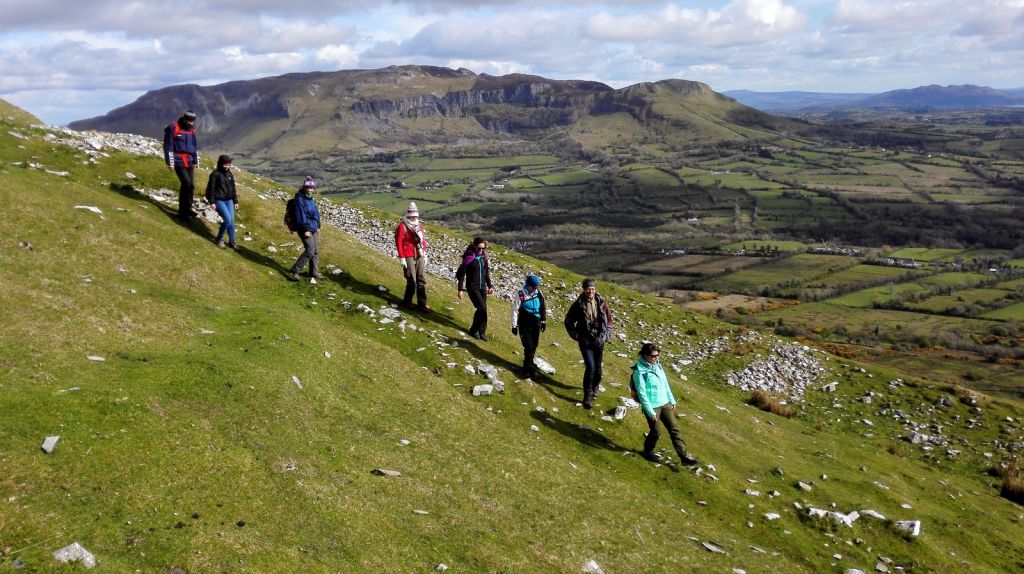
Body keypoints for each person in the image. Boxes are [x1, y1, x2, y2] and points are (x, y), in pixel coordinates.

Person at [632, 342, 698, 470]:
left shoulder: (658, 366)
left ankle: (684, 457)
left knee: (674, 429)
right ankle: (647, 451)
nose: (656, 358)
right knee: (656, 432)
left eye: (657, 355)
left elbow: (665, 384)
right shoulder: (639, 372)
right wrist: (650, 411)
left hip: (665, 403)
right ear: (644, 355)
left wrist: (672, 400)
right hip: (652, 407)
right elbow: (642, 393)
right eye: (653, 356)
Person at [563, 278, 613, 409]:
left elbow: (609, 320)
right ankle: (587, 395)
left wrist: (606, 335)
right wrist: (577, 336)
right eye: (588, 289)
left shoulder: (601, 302)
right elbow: (568, 322)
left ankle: (595, 386)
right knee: (590, 367)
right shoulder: (578, 304)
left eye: (592, 289)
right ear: (584, 289)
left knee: (598, 368)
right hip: (585, 341)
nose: (590, 291)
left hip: (599, 340)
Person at [163, 110, 199, 219]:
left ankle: (188, 208)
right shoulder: (173, 128)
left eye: (192, 121)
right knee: (186, 183)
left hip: (189, 160)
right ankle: (182, 212)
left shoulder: (191, 130)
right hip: (178, 160)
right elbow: (168, 146)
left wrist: (196, 161)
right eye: (189, 120)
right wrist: (170, 162)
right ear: (184, 118)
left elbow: (194, 146)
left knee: (191, 185)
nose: (191, 122)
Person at [395, 202, 430, 312]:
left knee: (421, 279)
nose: (413, 218)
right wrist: (402, 258)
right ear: (408, 215)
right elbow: (399, 242)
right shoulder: (402, 226)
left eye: (415, 216)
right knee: (411, 280)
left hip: (420, 255)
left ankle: (422, 304)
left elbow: (422, 241)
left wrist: (425, 254)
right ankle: (407, 302)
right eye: (411, 216)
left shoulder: (419, 226)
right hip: (408, 255)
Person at [457, 237, 494, 340]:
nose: (481, 250)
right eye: (479, 248)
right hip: (472, 287)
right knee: (481, 308)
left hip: (482, 287)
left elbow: (486, 273)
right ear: (474, 246)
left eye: (483, 248)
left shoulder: (483, 257)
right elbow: (461, 275)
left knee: (483, 309)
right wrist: (460, 289)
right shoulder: (469, 258)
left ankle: (482, 332)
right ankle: (474, 330)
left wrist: (490, 286)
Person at [511, 274, 546, 377]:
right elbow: (515, 310)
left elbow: (543, 306)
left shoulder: (538, 293)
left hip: (536, 323)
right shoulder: (521, 294)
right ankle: (530, 370)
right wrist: (514, 325)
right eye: (533, 287)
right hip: (524, 324)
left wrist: (543, 321)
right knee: (529, 346)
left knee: (534, 345)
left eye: (536, 287)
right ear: (528, 285)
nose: (535, 289)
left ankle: (527, 366)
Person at [288, 176, 321, 282]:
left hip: (313, 227)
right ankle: (295, 271)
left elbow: (316, 213)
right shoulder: (299, 199)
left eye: (312, 188)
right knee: (310, 250)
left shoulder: (310, 198)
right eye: (309, 188)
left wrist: (318, 226)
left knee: (315, 251)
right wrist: (305, 229)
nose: (311, 190)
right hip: (304, 228)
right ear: (305, 188)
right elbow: (300, 216)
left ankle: (313, 273)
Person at [204, 154, 238, 249]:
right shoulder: (215, 174)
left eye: (229, 165)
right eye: (225, 165)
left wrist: (236, 201)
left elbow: (233, 189)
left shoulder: (230, 174)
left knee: (231, 221)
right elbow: (211, 189)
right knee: (227, 220)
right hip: (219, 200)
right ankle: (219, 239)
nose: (227, 167)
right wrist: (212, 202)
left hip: (229, 200)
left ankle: (232, 241)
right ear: (220, 164)